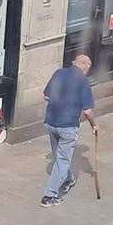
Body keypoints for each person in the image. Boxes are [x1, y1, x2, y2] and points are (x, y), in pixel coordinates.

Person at [41, 55, 97, 206]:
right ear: (86, 67)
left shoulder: (59, 73)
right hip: (68, 126)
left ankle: (67, 178)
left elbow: (46, 96)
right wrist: (94, 126)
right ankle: (49, 196)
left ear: (74, 63)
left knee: (57, 155)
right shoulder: (83, 81)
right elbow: (87, 111)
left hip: (51, 123)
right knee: (62, 160)